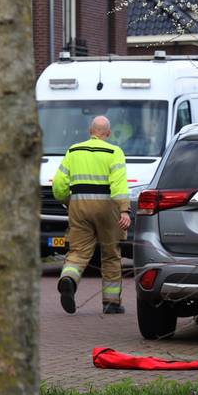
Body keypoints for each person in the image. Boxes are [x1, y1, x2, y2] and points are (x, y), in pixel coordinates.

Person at [52, 116, 130, 315]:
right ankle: (111, 303)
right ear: (108, 133)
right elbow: (119, 184)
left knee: (77, 251)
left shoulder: (74, 151)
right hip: (107, 208)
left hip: (79, 206)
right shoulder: (115, 152)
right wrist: (124, 209)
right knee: (111, 254)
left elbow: (59, 184)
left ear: (90, 131)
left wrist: (68, 201)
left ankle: (68, 279)